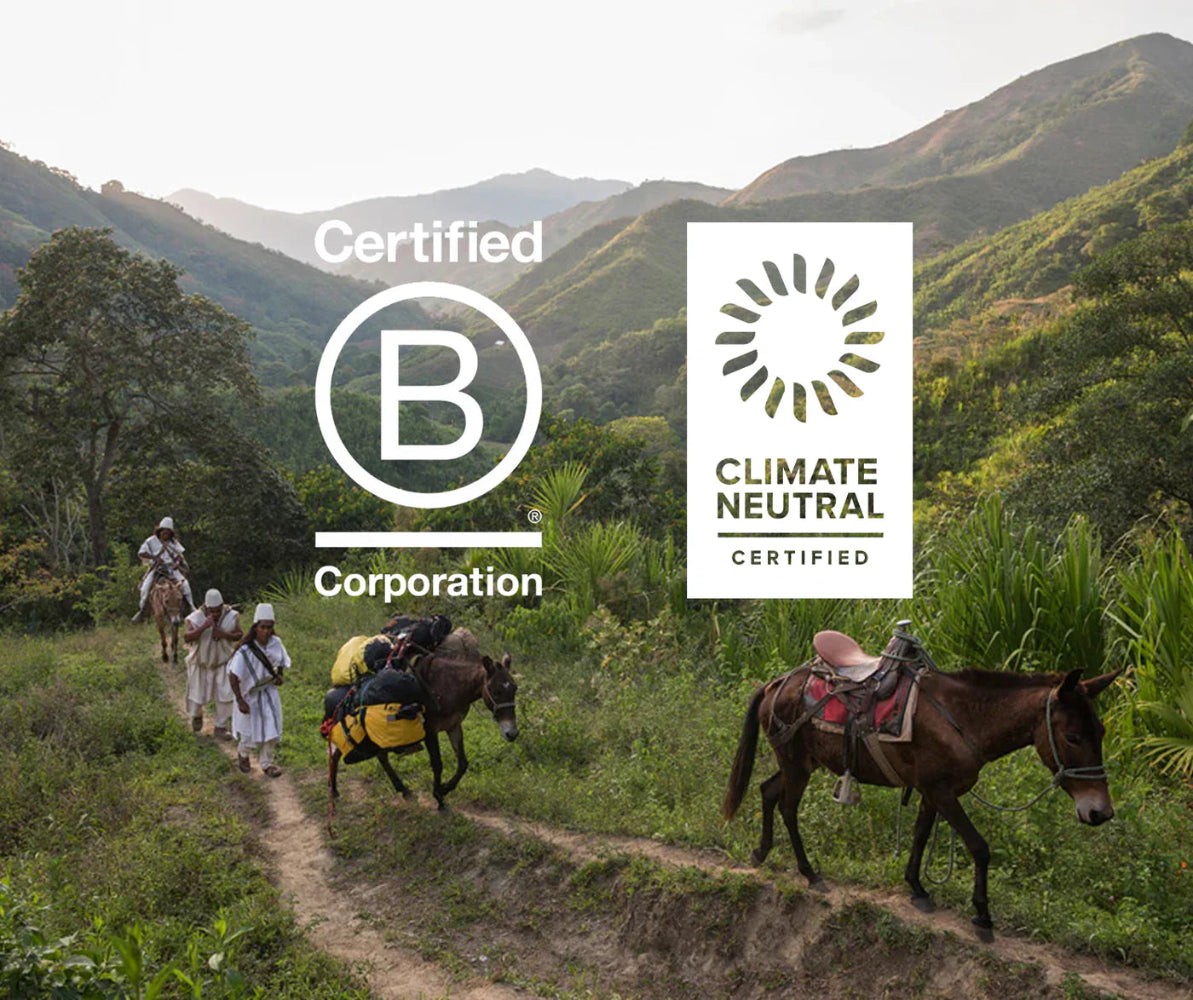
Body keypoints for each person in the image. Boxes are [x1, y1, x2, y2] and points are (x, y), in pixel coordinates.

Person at [227, 603, 289, 777]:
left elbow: (281, 661)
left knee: (272, 727)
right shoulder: (245, 650)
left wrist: (279, 675)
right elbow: (233, 676)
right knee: (249, 730)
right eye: (262, 627)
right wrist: (240, 700)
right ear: (256, 627)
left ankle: (267, 763)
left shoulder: (276, 643)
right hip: (249, 694)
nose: (266, 631)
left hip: (269, 692)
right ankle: (243, 754)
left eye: (269, 627)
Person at [183, 588, 242, 739]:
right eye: (212, 611)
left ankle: (220, 727)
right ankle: (197, 716)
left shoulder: (231, 616)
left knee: (225, 696)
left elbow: (239, 634)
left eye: (217, 610)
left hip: (222, 663)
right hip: (201, 664)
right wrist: (204, 626)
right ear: (206, 608)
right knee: (197, 695)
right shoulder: (196, 617)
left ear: (222, 606)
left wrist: (224, 634)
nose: (215, 614)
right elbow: (187, 637)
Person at [131, 516, 195, 621]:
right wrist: (154, 558)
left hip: (172, 569)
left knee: (185, 585)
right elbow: (141, 553)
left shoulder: (174, 542)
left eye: (168, 532)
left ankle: (191, 607)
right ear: (160, 531)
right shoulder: (150, 541)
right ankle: (141, 611)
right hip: (156, 568)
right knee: (145, 588)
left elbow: (179, 556)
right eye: (164, 531)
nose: (166, 533)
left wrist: (177, 563)